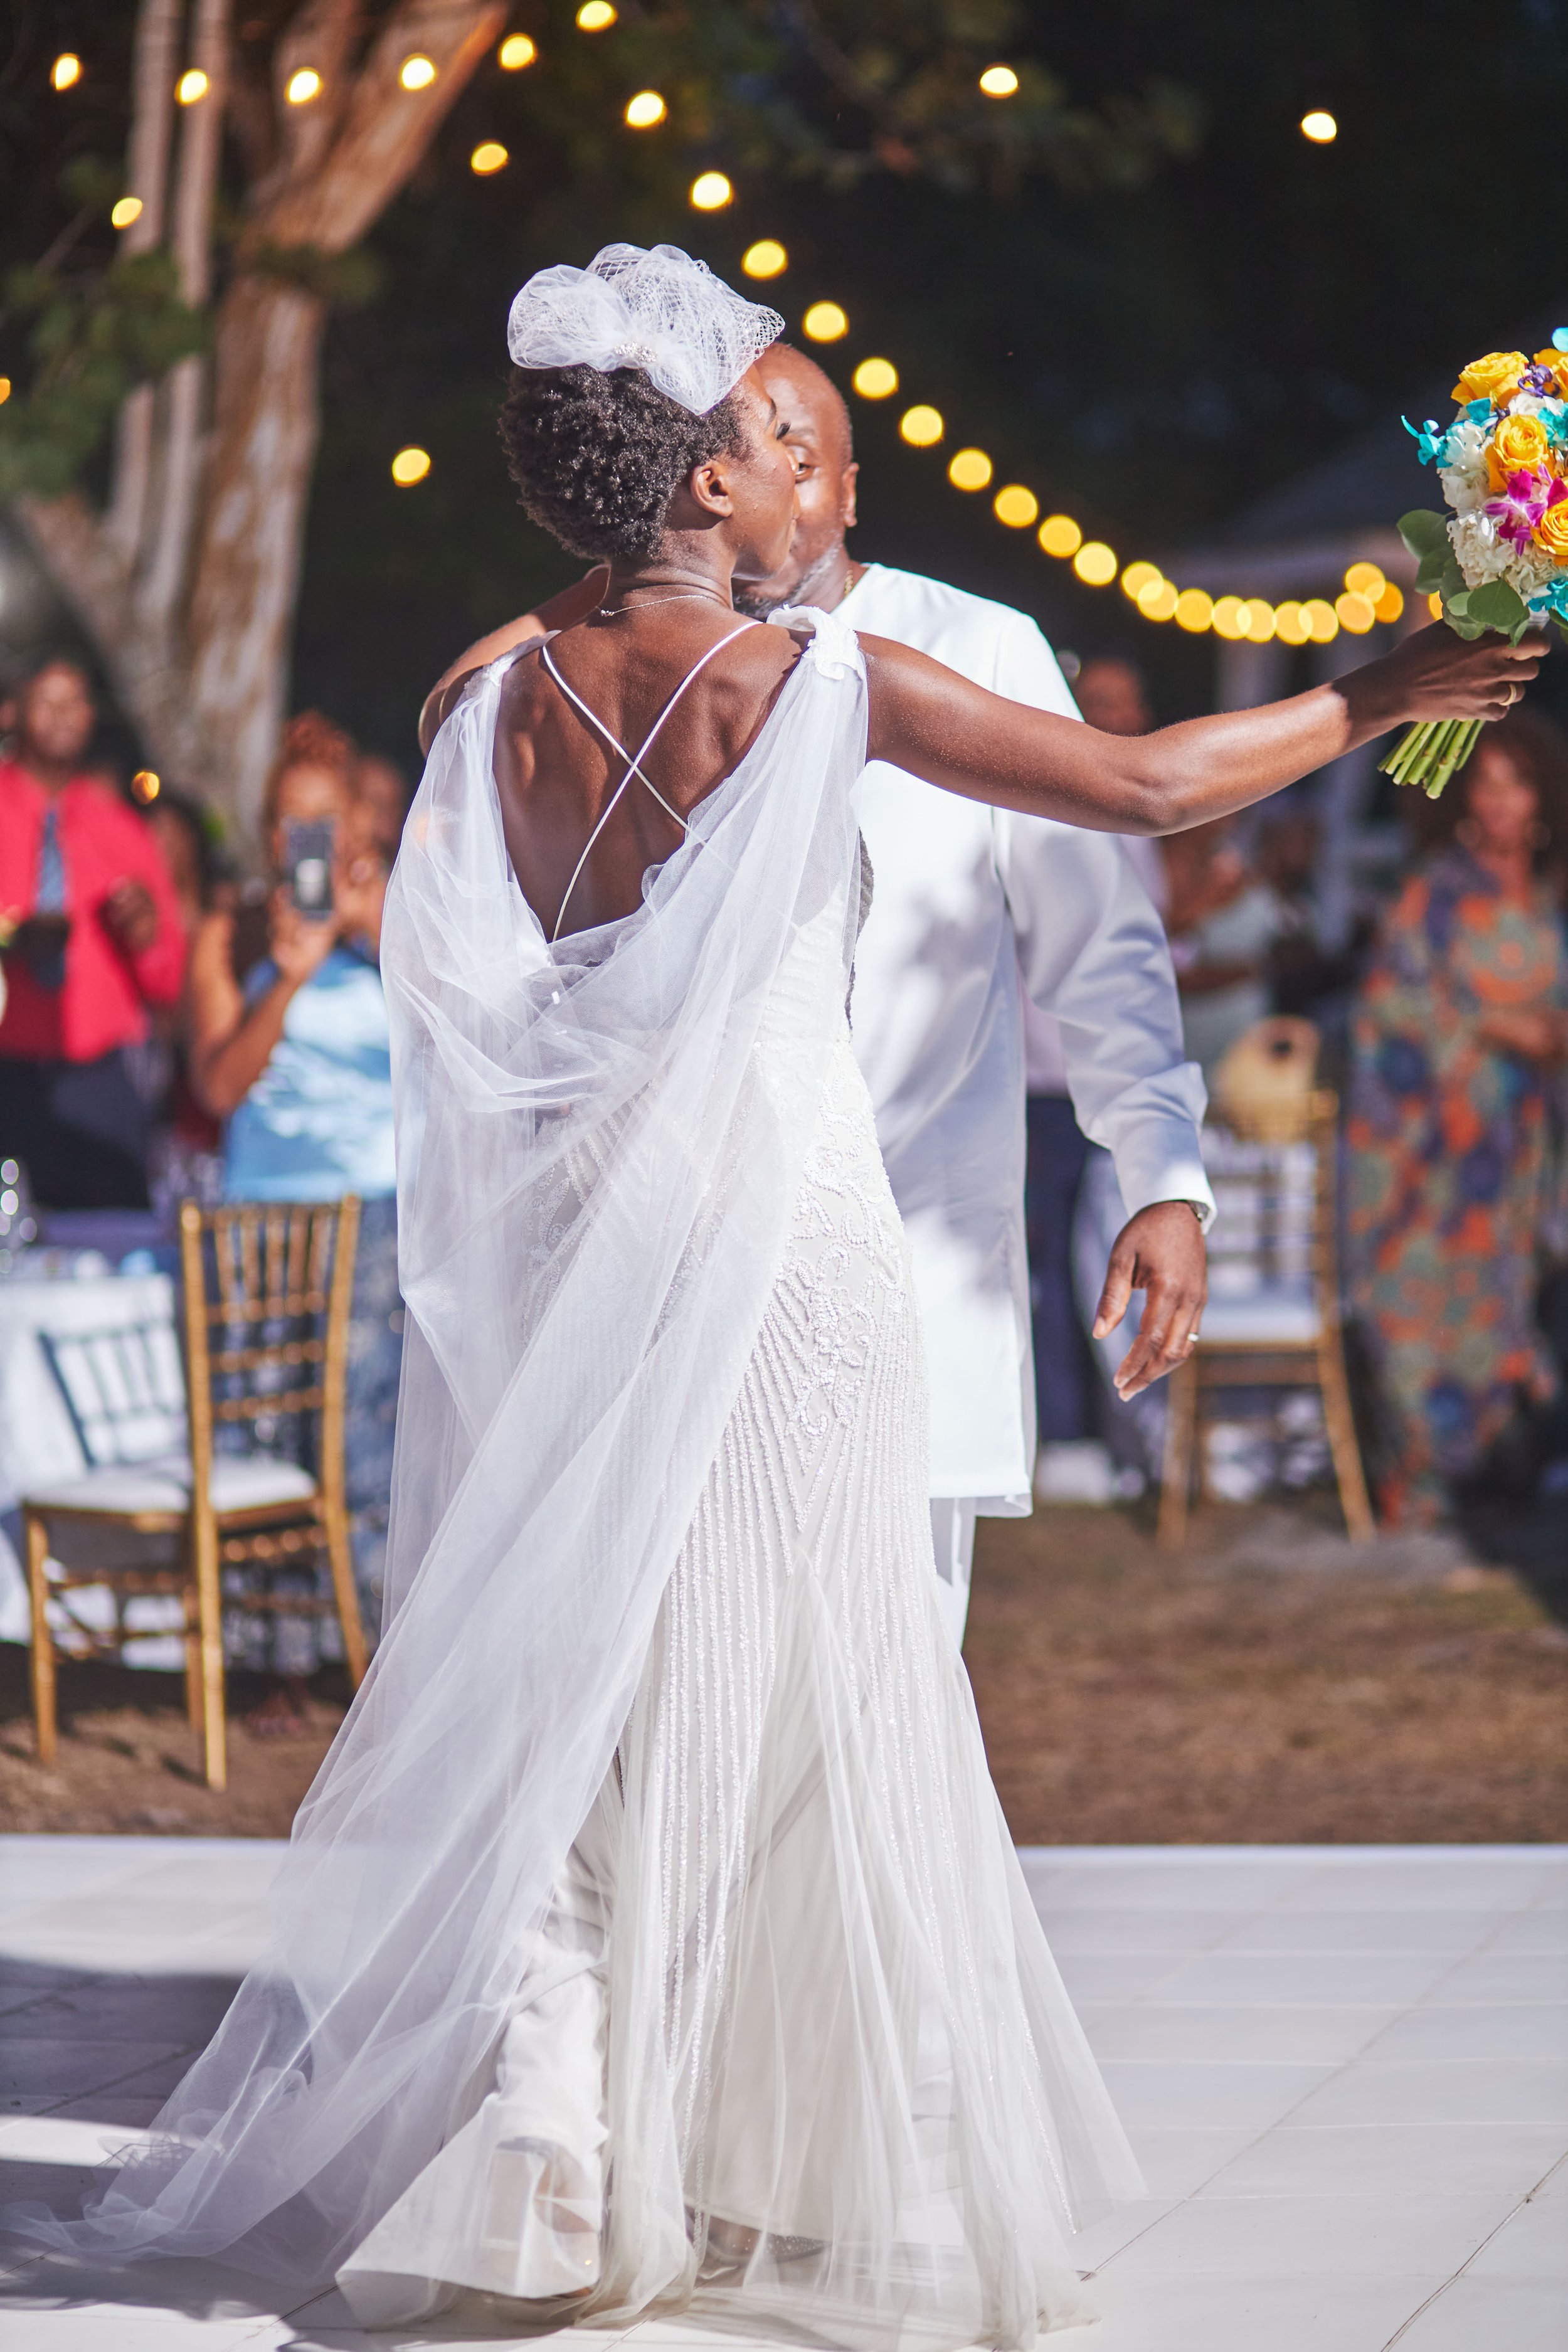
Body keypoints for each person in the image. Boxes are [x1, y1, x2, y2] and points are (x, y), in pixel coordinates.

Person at [11, 243, 1530, 2342]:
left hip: (561, 1259)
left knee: (578, 1679)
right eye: (757, 427)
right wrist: (1385, 692)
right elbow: (1153, 787)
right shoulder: (807, 684)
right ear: (706, 490)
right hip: (797, 1250)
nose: (793, 446)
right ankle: (788, 2144)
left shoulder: (475, 700)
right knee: (827, 1692)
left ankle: (556, 2115)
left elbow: (469, 1024)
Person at [500, 355, 1215, 1641]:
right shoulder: (609, 672)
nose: (772, 474)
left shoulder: (969, 651)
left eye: (800, 447)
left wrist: (1159, 1170)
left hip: (911, 1244)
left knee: (881, 1680)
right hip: (670, 1273)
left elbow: (1099, 941)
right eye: (735, 446)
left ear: (839, 488)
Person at [185, 714, 401, 1692]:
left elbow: (473, 1030)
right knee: (263, 1436)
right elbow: (219, 1088)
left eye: (322, 819)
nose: (303, 841)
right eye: (285, 822)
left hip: (379, 1223)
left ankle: (372, 1648)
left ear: (358, 824)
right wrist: (288, 979)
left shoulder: (402, 917)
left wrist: (367, 928)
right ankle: (271, 1657)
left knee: (372, 1441)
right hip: (261, 1225)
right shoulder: (230, 934)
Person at [1347, 711, 1568, 1526]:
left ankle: (1509, 1469)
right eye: (1490, 782)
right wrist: (1506, 1029)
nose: (1505, 800)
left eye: (1520, 782)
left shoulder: (1552, 894)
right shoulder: (1432, 895)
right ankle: (1427, 1479)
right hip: (1435, 1159)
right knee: (1426, 1305)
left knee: (1517, 1303)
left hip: (1526, 1152)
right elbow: (1396, 1009)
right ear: (1466, 795)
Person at [0, 657, 185, 1207]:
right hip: (9, 1070)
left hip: (99, 1081)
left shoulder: (122, 828)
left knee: (112, 1250)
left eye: (75, 703)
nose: (63, 717)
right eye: (48, 701)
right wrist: (12, 940)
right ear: (14, 711)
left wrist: (146, 934)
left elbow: (169, 977)